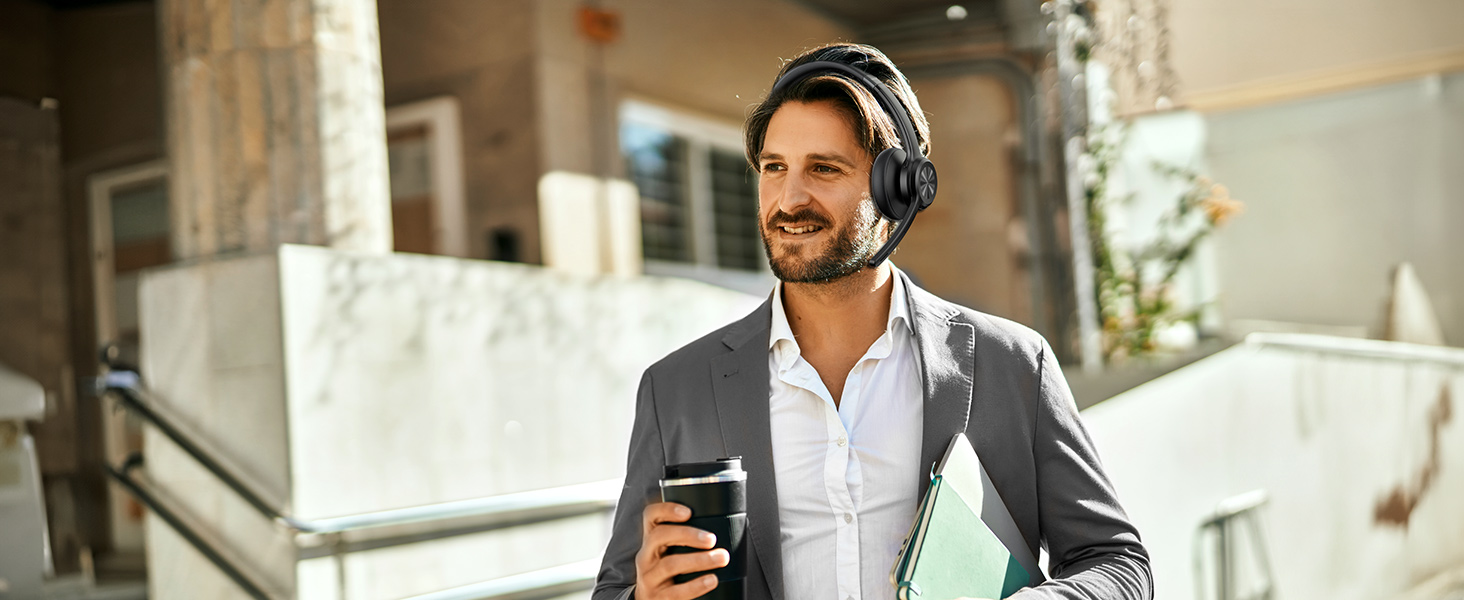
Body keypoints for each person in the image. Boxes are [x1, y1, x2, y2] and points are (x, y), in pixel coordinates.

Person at [593, 43, 1152, 600]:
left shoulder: (1013, 366)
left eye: (824, 169)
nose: (789, 199)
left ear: (897, 189)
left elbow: (1118, 564)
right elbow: (615, 589)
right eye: (774, 168)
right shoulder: (676, 390)